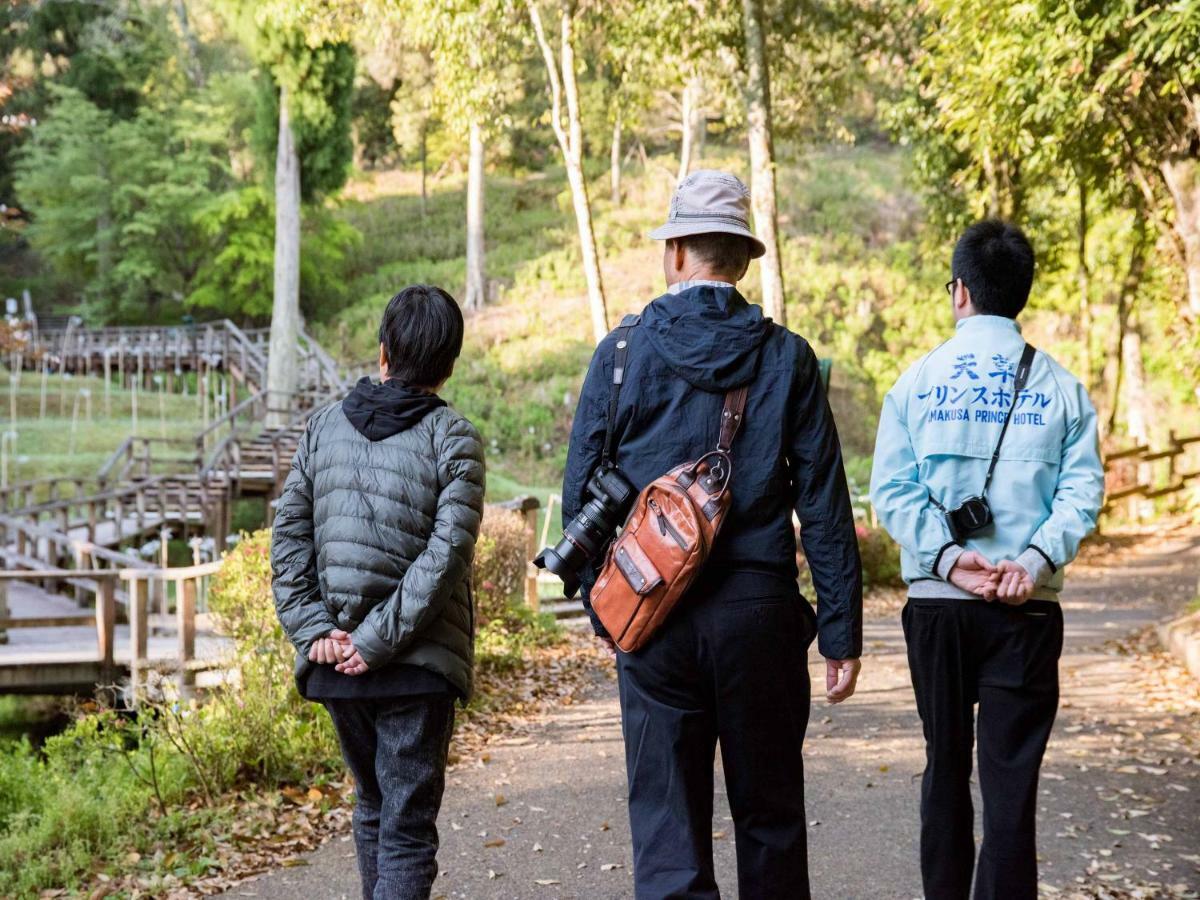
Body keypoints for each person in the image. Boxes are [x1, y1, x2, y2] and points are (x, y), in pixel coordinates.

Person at [561, 169, 864, 899]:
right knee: (770, 823)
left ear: (675, 255)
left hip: (652, 612)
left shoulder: (622, 354)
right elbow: (822, 500)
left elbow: (580, 496)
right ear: (744, 260)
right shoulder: (788, 358)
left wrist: (606, 613)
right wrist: (841, 634)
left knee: (667, 833)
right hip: (759, 616)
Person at [869, 220, 1104, 900]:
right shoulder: (1063, 389)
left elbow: (892, 488)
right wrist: (1031, 560)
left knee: (945, 766)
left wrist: (947, 560)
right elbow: (1083, 489)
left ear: (960, 291)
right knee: (1011, 782)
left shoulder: (916, 383)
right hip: (1026, 610)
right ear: (1019, 294)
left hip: (941, 608)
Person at [271, 285, 485, 900]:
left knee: (372, 808)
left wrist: (317, 632)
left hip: (339, 666)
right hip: (414, 666)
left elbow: (287, 539)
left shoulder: (322, 428)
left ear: (383, 352)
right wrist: (373, 641)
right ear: (449, 364)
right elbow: (447, 557)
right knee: (407, 828)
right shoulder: (454, 437)